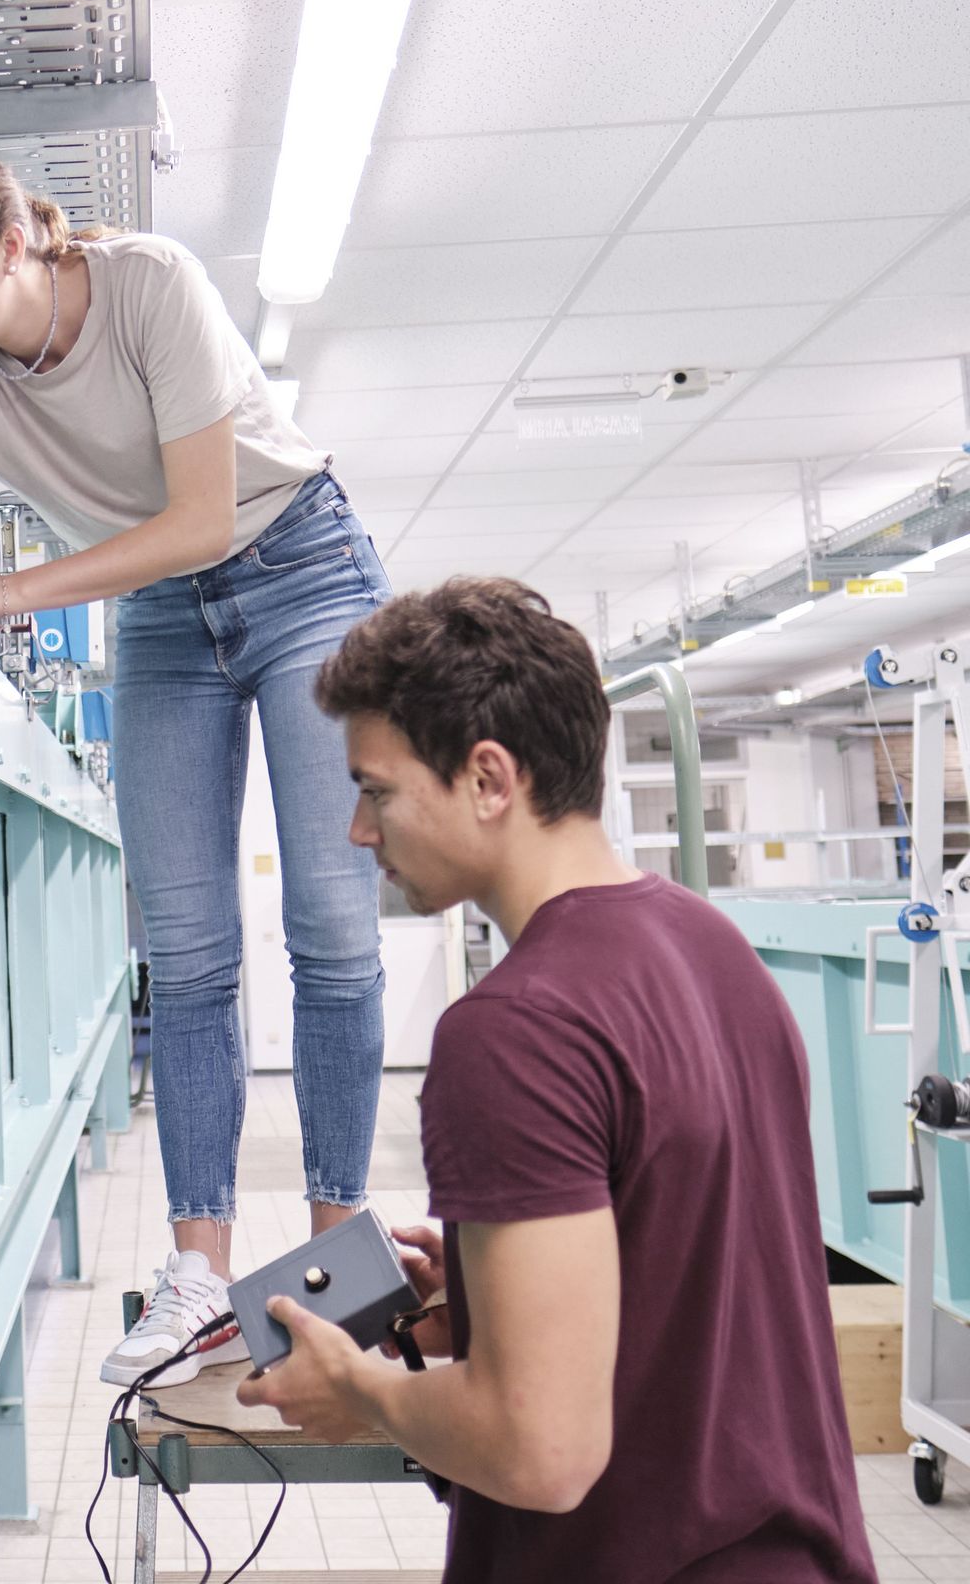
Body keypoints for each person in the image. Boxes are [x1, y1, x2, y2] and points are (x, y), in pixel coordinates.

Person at [0, 137, 392, 1386]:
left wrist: (13, 590)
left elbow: (199, 518)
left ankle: (339, 1265)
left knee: (332, 927)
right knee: (187, 950)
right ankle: (200, 1274)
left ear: (13, 242)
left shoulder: (150, 284)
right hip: (163, 618)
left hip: (297, 566)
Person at [241, 577, 875, 1583]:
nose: (362, 834)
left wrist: (355, 1387)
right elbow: (693, 1263)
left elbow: (539, 1449)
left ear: (489, 779)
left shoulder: (510, 1031)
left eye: (376, 789)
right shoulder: (716, 951)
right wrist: (500, 1300)